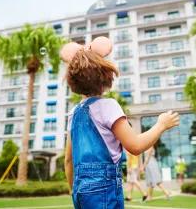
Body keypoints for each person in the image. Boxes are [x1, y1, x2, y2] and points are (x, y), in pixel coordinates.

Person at [62, 37, 180, 209]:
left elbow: (68, 160)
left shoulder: (73, 113)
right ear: (106, 78)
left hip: (80, 190)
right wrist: (161, 124)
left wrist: (75, 189)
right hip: (104, 188)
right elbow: (135, 146)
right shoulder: (109, 106)